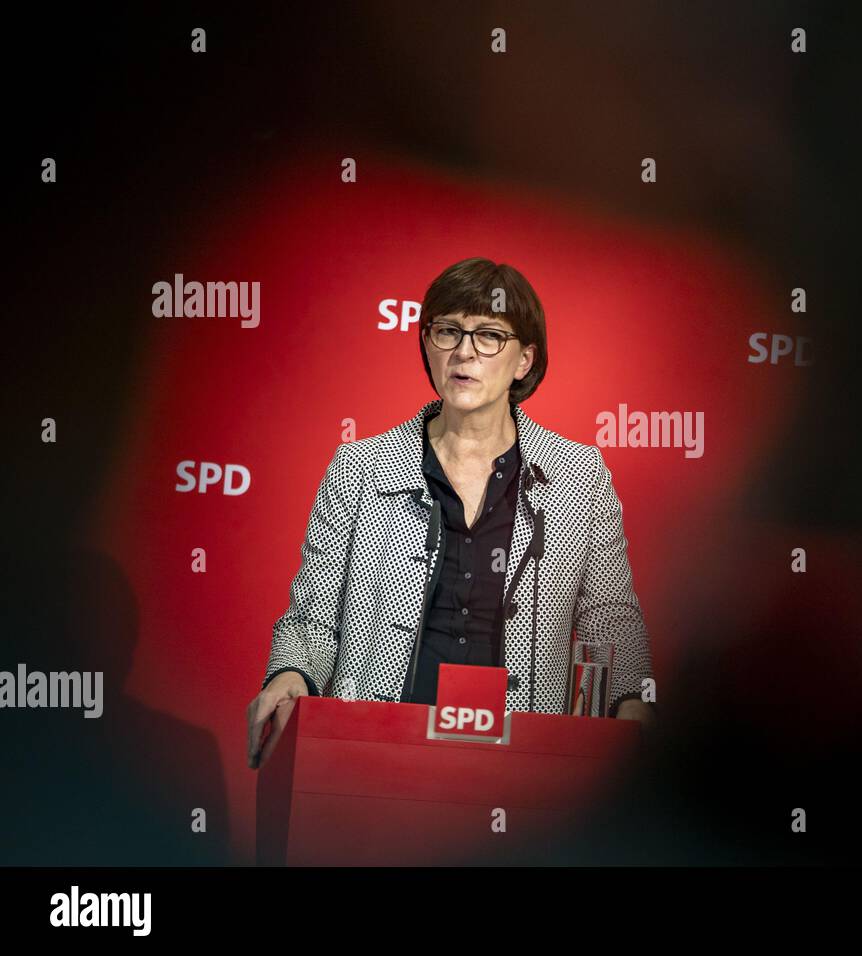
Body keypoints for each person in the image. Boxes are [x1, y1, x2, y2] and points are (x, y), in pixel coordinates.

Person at [247, 257, 655, 769]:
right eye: (448, 332)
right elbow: (313, 617)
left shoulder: (578, 475)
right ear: (427, 344)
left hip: (524, 757)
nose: (464, 351)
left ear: (524, 360)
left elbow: (608, 616)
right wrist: (288, 676)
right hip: (380, 745)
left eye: (489, 335)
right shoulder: (361, 467)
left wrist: (632, 701)